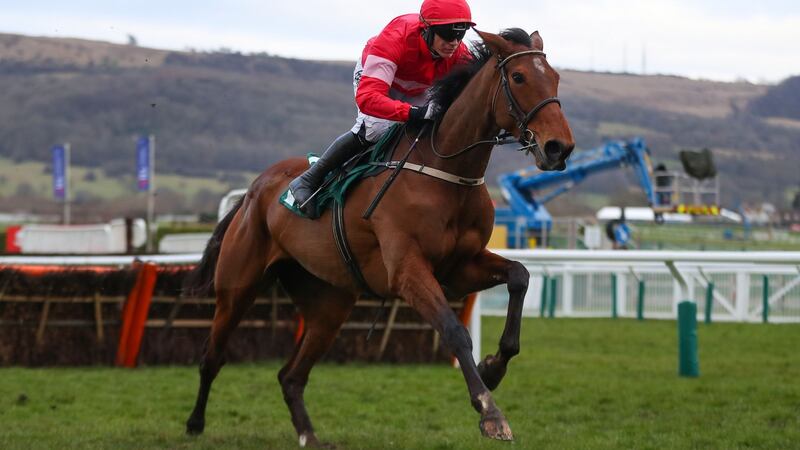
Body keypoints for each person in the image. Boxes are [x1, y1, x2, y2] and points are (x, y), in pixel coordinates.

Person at [289, 0, 476, 218]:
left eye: (459, 35)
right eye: (446, 34)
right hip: (381, 80)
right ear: (426, 28)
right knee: (376, 127)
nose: (453, 42)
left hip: (419, 85)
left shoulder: (459, 53)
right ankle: (308, 179)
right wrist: (414, 113)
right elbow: (368, 98)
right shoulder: (394, 39)